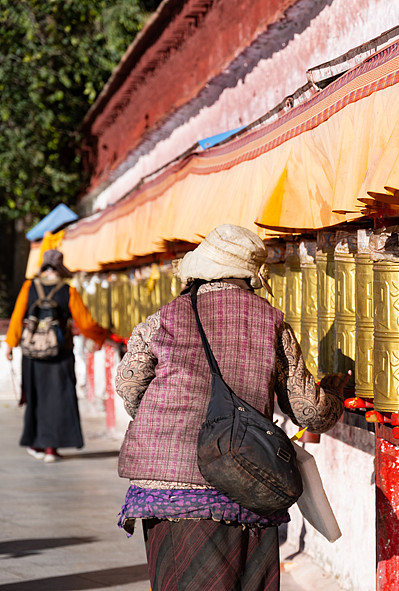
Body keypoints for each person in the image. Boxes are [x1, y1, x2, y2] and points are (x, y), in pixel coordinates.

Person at [114, 224, 347, 591]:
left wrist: (166, 417)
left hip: (166, 485)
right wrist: (335, 392)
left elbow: (129, 387)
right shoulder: (270, 322)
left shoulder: (163, 319)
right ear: (250, 277)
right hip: (245, 479)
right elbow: (309, 412)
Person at [4, 249, 110, 463]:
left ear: (43, 267)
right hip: (59, 354)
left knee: (35, 397)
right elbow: (86, 323)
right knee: (58, 399)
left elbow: (17, 317)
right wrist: (101, 336)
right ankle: (51, 448)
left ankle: (36, 443)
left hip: (33, 355)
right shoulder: (68, 291)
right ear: (60, 269)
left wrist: (10, 344)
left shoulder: (29, 287)